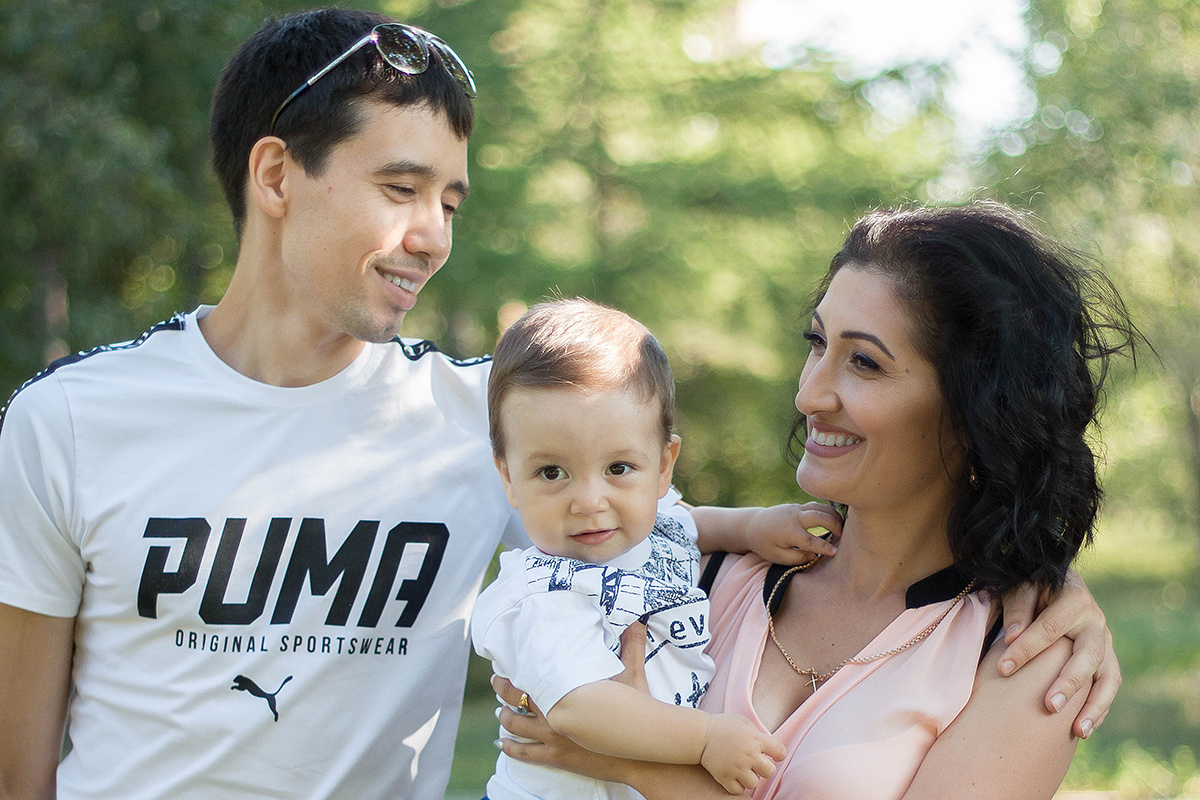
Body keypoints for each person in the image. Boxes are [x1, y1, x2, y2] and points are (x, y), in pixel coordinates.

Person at [0, 7, 1115, 799]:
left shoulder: (494, 423)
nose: (434, 233)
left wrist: (1047, 581)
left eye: (450, 197)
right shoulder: (68, 424)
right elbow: (21, 765)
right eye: (400, 188)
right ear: (277, 175)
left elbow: (656, 493)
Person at [493, 202, 1140, 800]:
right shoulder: (704, 571)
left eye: (864, 363)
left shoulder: (1020, 654)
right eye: (817, 344)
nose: (810, 395)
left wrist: (626, 764)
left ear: (977, 409)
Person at [472, 298, 794, 799]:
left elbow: (696, 525)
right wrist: (704, 738)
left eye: (618, 468)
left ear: (664, 466)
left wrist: (754, 526)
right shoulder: (540, 595)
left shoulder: (658, 526)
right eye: (551, 472)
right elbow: (581, 706)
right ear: (509, 478)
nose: (589, 501)